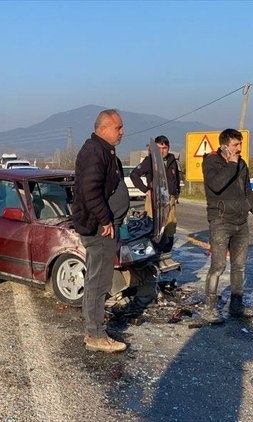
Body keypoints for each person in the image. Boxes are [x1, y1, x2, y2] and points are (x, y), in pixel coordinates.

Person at [73, 109, 129, 353]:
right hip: (99, 229)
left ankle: (93, 329)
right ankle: (96, 335)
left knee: (96, 279)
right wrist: (106, 219)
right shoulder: (94, 152)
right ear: (104, 128)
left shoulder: (103, 151)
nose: (122, 132)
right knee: (98, 281)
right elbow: (90, 190)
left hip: (103, 226)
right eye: (118, 128)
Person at [201, 128, 253, 324]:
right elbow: (216, 185)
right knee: (218, 266)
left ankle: (236, 306)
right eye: (235, 145)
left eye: (240, 144)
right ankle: (209, 308)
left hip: (240, 222)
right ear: (224, 146)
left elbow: (247, 191)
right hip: (221, 221)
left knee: (239, 267)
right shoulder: (211, 162)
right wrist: (231, 164)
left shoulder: (242, 164)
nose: (239, 149)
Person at [129, 135, 182, 253]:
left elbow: (176, 178)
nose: (162, 151)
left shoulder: (172, 161)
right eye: (159, 148)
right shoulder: (150, 161)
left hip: (169, 199)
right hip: (155, 200)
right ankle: (153, 254)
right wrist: (145, 190)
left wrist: (177, 192)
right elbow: (134, 175)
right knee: (154, 228)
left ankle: (166, 253)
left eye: (165, 148)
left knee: (169, 229)